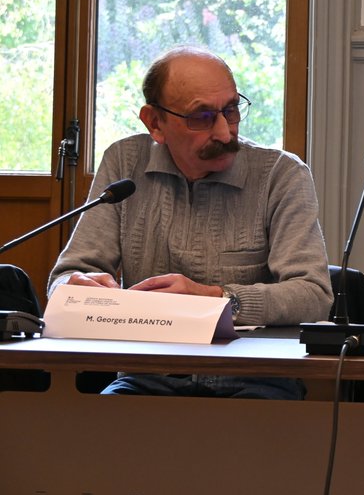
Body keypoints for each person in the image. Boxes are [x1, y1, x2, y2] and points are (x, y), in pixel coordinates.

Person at [48, 46, 332, 398]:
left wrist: (215, 299)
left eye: (231, 110)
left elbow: (313, 294)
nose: (225, 132)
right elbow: (64, 278)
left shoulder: (280, 174)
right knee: (87, 429)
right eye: (202, 117)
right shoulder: (125, 163)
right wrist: (76, 288)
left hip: (256, 377)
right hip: (146, 377)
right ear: (155, 123)